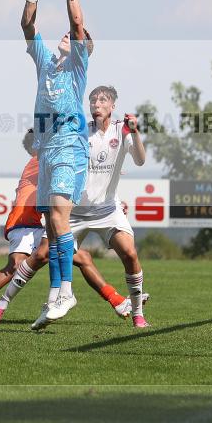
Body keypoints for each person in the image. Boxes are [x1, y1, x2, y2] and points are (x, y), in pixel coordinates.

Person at [0, 129, 133, 327]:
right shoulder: (39, 160)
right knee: (15, 265)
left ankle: (118, 302)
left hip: (42, 224)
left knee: (82, 258)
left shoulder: (47, 158)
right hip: (25, 221)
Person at [21, 0, 92, 327]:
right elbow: (26, 25)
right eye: (64, 35)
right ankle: (53, 296)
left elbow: (77, 23)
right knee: (51, 225)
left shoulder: (77, 67)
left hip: (69, 148)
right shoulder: (46, 61)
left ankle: (67, 291)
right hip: (46, 152)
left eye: (74, 38)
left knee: (61, 219)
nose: (67, 35)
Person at [71, 85, 150, 327]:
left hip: (107, 210)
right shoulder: (80, 131)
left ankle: (138, 314)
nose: (96, 104)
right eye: (93, 100)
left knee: (130, 254)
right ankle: (55, 299)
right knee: (44, 254)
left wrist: (135, 132)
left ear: (112, 106)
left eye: (102, 100)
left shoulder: (122, 130)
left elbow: (140, 160)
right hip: (75, 212)